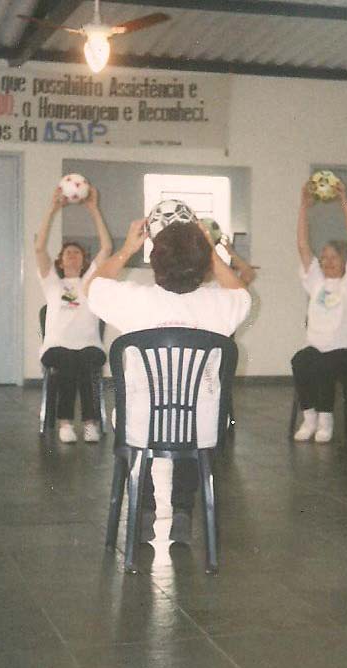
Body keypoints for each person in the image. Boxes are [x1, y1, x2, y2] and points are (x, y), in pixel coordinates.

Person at [88, 216, 251, 545]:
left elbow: (93, 286)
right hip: (203, 429)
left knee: (143, 422)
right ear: (204, 263)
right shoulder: (221, 304)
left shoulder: (133, 300)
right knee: (192, 420)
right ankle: (182, 510)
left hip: (140, 425)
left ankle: (146, 508)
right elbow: (240, 291)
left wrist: (127, 249)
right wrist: (212, 251)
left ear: (154, 261)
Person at [291, 180, 347, 445]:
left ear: (345, 261)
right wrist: (303, 206)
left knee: (324, 363)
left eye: (333, 257)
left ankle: (326, 420)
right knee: (301, 360)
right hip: (317, 347)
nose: (326, 261)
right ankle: (310, 417)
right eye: (323, 257)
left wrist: (344, 202)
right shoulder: (316, 282)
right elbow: (303, 246)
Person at [34, 184, 112, 443]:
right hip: (56, 348)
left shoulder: (90, 281)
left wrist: (94, 209)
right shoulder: (52, 283)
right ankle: (66, 423)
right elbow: (39, 249)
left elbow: (107, 249)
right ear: (60, 260)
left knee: (85, 362)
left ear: (84, 260)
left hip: (89, 347)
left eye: (77, 253)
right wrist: (52, 209)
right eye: (68, 253)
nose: (73, 256)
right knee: (67, 361)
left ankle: (90, 424)